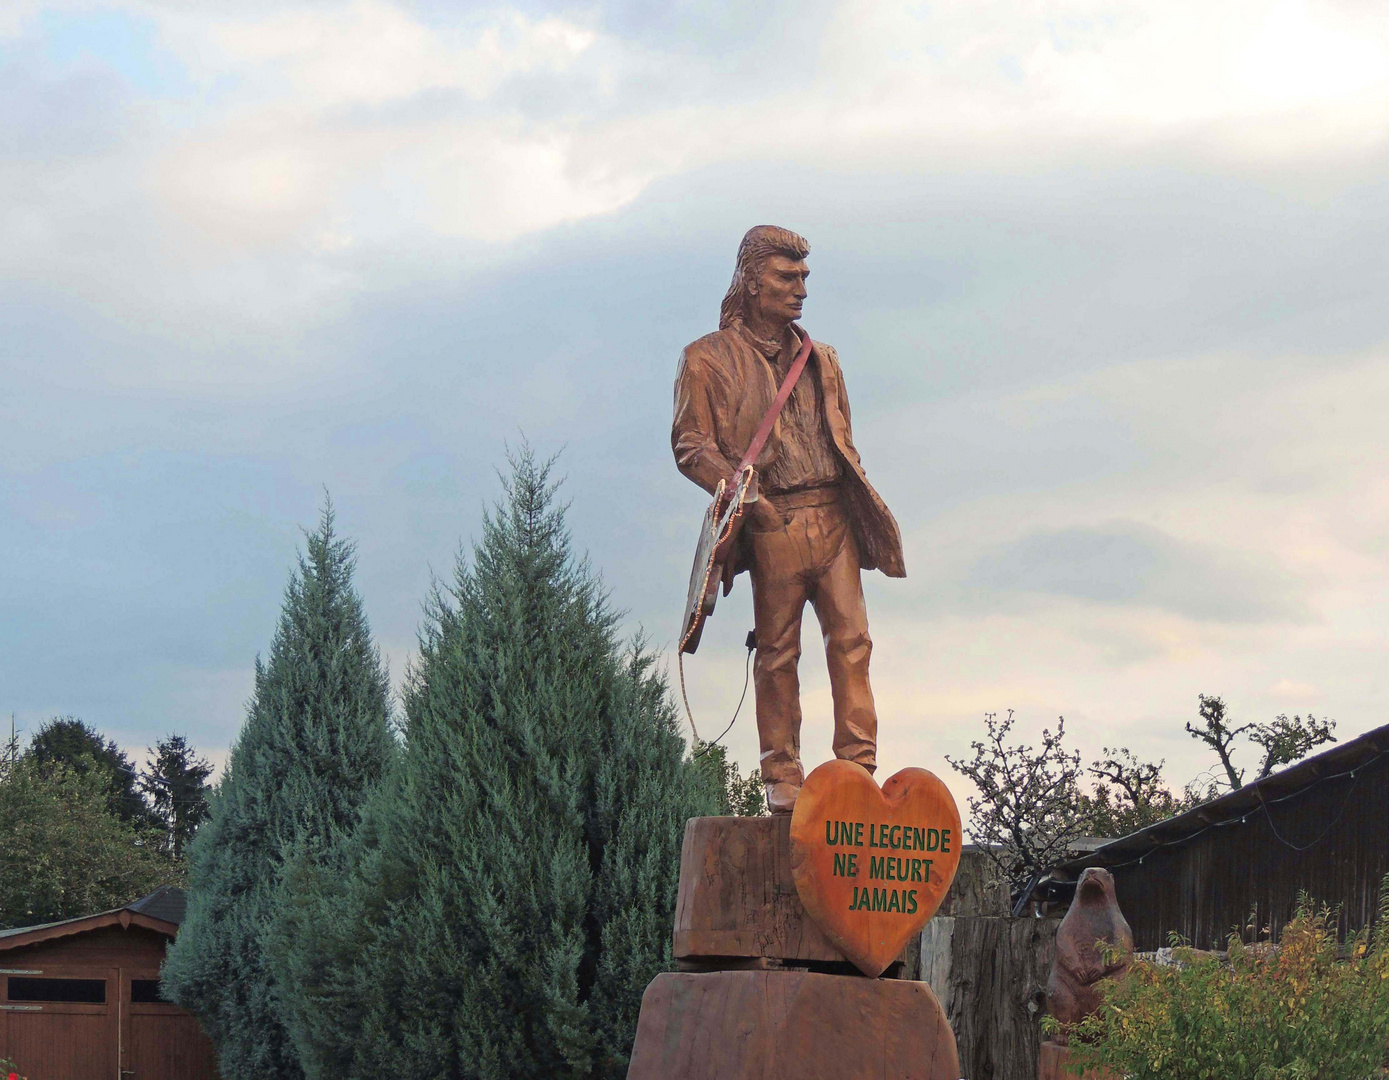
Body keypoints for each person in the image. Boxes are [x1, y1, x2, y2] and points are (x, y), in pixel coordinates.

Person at [672, 225, 905, 813]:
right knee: (777, 651)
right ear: (751, 284)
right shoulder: (706, 358)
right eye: (785, 277)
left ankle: (858, 767)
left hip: (833, 518)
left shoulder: (822, 359)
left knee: (853, 642)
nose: (800, 288)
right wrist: (746, 497)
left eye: (803, 277)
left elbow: (844, 440)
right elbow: (690, 443)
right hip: (774, 520)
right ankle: (781, 775)